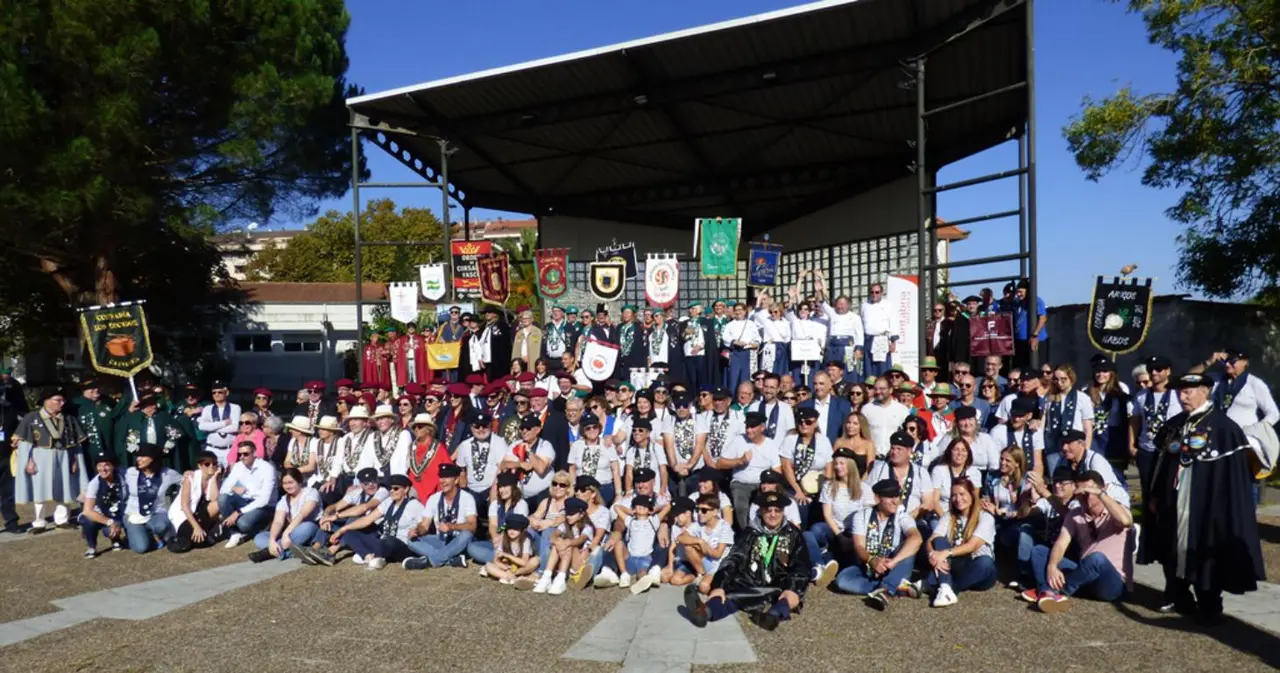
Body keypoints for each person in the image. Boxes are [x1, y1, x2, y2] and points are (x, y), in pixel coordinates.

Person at [1141, 372, 1265, 624]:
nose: (1182, 396)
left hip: (1206, 505)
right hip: (1173, 502)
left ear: (1205, 391)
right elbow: (1160, 465)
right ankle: (1178, 595)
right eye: (1180, 391)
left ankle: (1209, 602)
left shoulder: (1224, 429)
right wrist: (1154, 495)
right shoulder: (1174, 425)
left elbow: (1232, 478)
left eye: (1189, 391)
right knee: (1171, 547)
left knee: (1205, 550)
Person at [683, 492, 809, 631]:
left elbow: (801, 565)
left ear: (783, 511)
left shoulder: (792, 534)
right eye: (768, 510)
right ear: (761, 511)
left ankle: (772, 616)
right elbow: (734, 559)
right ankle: (705, 612)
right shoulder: (750, 533)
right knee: (728, 596)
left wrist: (793, 588)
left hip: (779, 585)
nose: (773, 514)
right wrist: (719, 585)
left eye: (777, 510)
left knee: (789, 599)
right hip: (750, 582)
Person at [1030, 470, 1133, 612]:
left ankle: (1056, 593)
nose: (1084, 498)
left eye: (1088, 493)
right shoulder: (1075, 515)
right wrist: (1052, 566)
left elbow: (1126, 521)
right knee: (1039, 551)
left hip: (1111, 583)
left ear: (1101, 490)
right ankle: (1045, 591)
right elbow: (1061, 543)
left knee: (1097, 558)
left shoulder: (1116, 510)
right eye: (1080, 494)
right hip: (1085, 575)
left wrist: (1100, 494)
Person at [835, 479, 924, 608]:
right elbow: (859, 546)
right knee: (842, 581)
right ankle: (897, 587)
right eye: (890, 497)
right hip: (867, 566)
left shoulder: (902, 516)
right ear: (877, 498)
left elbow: (917, 538)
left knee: (910, 547)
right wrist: (872, 561)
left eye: (897, 496)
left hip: (893, 566)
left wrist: (893, 562)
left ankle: (886, 589)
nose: (896, 501)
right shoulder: (862, 516)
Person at [14, 387, 88, 532]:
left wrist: (74, 460)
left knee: (63, 488)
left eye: (63, 400)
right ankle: (39, 522)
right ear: (47, 401)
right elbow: (24, 444)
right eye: (58, 400)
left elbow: (75, 444)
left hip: (64, 455)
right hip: (40, 456)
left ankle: (62, 520)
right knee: (39, 490)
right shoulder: (31, 418)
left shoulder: (68, 419)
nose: (62, 403)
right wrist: (29, 461)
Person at [925, 478, 998, 607]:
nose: (958, 499)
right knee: (939, 540)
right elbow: (931, 540)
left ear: (972, 495)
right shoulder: (949, 516)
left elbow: (972, 546)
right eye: (954, 495)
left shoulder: (985, 517)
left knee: (985, 562)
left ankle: (943, 586)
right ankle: (944, 587)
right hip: (957, 565)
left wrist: (944, 553)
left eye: (962, 494)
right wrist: (932, 554)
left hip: (980, 571)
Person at [331, 474, 427, 569]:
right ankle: (368, 557)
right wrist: (343, 529)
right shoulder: (388, 502)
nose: (392, 491)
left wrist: (416, 530)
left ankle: (369, 554)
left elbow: (424, 525)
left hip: (402, 545)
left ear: (406, 489)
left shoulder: (415, 505)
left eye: (396, 489)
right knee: (349, 532)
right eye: (390, 488)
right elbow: (368, 519)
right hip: (383, 542)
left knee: (390, 541)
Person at [403, 463, 479, 569]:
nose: (442, 481)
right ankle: (451, 560)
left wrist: (452, 527)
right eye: (441, 477)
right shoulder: (434, 498)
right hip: (441, 540)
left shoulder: (467, 498)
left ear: (456, 480)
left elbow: (472, 525)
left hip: (459, 540)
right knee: (412, 541)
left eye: (447, 477)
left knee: (467, 534)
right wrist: (417, 531)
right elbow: (424, 526)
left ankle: (431, 561)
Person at [719, 411, 781, 530]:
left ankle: (767, 530)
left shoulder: (771, 445)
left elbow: (777, 470)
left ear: (762, 427)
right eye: (747, 426)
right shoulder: (738, 440)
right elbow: (720, 463)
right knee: (741, 506)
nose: (748, 430)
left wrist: (773, 487)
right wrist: (739, 461)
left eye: (753, 427)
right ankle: (747, 533)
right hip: (741, 483)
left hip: (762, 483)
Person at [250, 467, 323, 563]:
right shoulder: (284, 499)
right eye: (285, 483)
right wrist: (272, 540)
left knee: (307, 527)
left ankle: (270, 552)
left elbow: (302, 515)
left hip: (308, 530)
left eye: (291, 482)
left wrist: (286, 534)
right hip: (291, 533)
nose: (288, 486)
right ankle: (285, 551)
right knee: (259, 537)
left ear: (299, 482)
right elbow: (278, 521)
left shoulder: (311, 492)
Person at [217, 440, 279, 548]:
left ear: (254, 453)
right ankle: (234, 532)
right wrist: (233, 487)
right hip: (245, 501)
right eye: (239, 454)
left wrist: (238, 512)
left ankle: (263, 526)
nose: (242, 457)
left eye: (245, 454)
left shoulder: (267, 468)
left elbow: (264, 500)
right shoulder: (238, 466)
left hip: (265, 506)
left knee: (243, 524)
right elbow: (223, 489)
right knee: (223, 499)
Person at [122, 444, 182, 553]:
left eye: (143, 456)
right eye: (138, 456)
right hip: (134, 515)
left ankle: (150, 533)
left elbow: (185, 482)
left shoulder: (167, 473)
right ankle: (140, 534)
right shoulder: (131, 472)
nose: (138, 459)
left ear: (153, 458)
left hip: (157, 513)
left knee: (161, 526)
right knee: (141, 548)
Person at [533, 496, 595, 595]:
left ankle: (560, 579)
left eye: (572, 514)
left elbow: (580, 540)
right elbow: (553, 536)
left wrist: (566, 543)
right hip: (565, 558)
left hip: (579, 562)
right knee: (557, 543)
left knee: (569, 544)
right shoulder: (565, 525)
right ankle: (547, 576)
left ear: (582, 514)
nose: (568, 517)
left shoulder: (587, 528)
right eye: (567, 514)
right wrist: (558, 542)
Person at [166, 450, 223, 554]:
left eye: (214, 464)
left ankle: (207, 529)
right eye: (207, 464)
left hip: (201, 512)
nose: (211, 466)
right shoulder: (191, 478)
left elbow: (215, 500)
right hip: (184, 514)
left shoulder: (214, 478)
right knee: (200, 542)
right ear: (200, 465)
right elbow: (184, 506)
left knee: (218, 504)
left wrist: (214, 478)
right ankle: (175, 536)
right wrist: (196, 527)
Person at [779, 407, 834, 512]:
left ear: (815, 424)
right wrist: (798, 490)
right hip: (795, 485)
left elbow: (829, 467)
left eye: (808, 422)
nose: (804, 424)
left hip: (820, 486)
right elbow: (786, 467)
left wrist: (825, 492)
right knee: (801, 506)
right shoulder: (790, 440)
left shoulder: (823, 440)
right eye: (801, 421)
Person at [79, 453, 127, 557]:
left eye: (107, 465)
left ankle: (116, 540)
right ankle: (91, 546)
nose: (103, 469)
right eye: (99, 465)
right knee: (87, 520)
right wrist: (110, 522)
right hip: (99, 515)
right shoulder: (94, 483)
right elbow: (88, 510)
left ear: (114, 466)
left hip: (119, 512)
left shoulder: (123, 475)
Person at [483, 512, 540, 588]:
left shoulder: (525, 540)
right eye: (509, 528)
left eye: (516, 529)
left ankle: (509, 577)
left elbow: (524, 563)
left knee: (536, 560)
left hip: (521, 568)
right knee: (488, 566)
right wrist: (506, 569)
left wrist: (507, 555)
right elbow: (496, 560)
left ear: (522, 530)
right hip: (507, 566)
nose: (512, 531)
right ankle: (514, 578)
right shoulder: (504, 538)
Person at [196, 381, 241, 465]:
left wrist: (211, 428)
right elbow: (202, 427)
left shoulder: (235, 407)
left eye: (220, 392)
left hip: (229, 449)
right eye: (214, 392)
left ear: (226, 393)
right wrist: (224, 423)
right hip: (212, 448)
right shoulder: (207, 408)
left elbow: (234, 427)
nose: (216, 394)